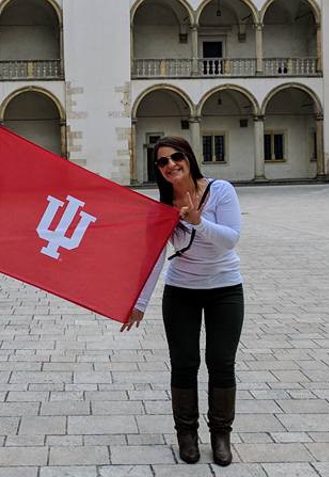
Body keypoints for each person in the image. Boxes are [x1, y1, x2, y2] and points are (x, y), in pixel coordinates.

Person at [121, 136, 244, 467]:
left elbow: (230, 240)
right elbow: (155, 258)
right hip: (182, 292)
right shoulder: (161, 208)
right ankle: (186, 435)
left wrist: (197, 222)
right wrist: (140, 303)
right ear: (158, 170)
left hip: (225, 289)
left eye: (176, 157)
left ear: (189, 158)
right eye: (162, 162)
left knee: (221, 362)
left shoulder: (220, 191)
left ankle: (221, 435)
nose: (171, 164)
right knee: (184, 363)